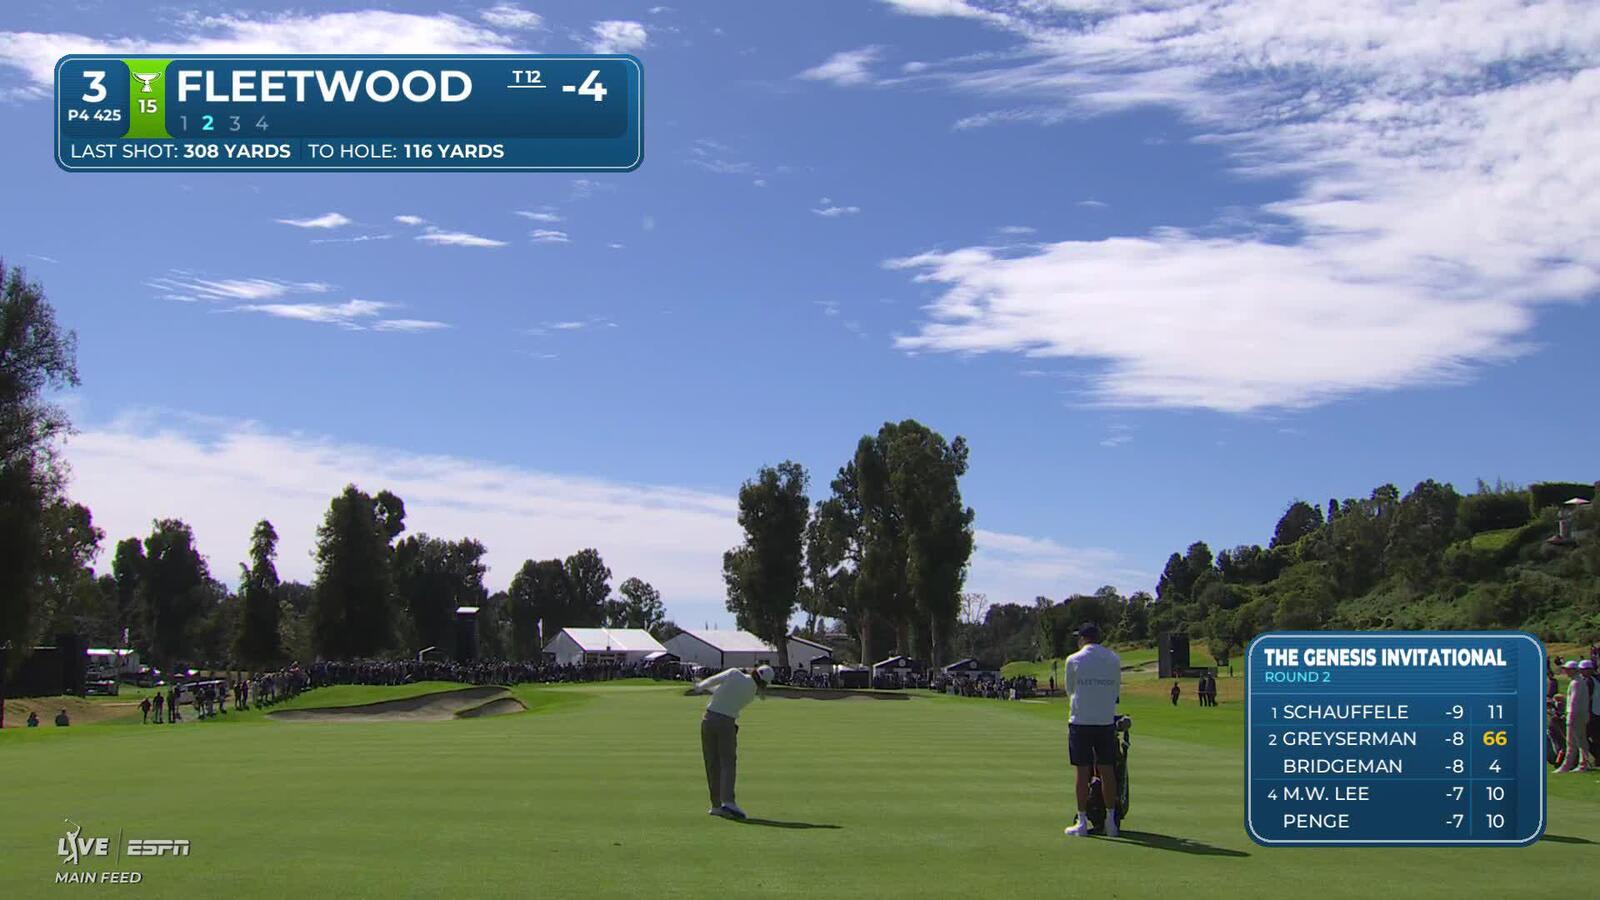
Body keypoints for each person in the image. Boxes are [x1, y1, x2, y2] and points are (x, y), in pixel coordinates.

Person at [689, 664, 773, 819]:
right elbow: (724, 693)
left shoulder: (734, 673)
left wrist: (699, 686)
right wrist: (703, 686)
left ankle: (716, 806)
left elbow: (713, 682)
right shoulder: (751, 693)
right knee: (727, 762)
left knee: (712, 762)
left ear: (754, 670)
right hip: (726, 723)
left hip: (708, 719)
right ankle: (728, 802)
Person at [1064, 623, 1122, 837]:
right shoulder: (1113, 658)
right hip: (1105, 720)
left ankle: (1082, 822)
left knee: (1082, 772)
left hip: (1081, 721)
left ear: (1082, 638)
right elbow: (1115, 689)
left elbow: (1070, 690)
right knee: (1107, 771)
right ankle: (1110, 822)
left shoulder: (1074, 659)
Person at [1555, 660, 1594, 773]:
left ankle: (1571, 765)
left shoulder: (1576, 683)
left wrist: (1570, 717)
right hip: (1580, 715)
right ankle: (1580, 764)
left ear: (1573, 670)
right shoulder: (1579, 682)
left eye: (1567, 669)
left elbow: (1574, 702)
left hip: (1576, 716)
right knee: (1579, 741)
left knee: (1574, 742)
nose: (1566, 672)